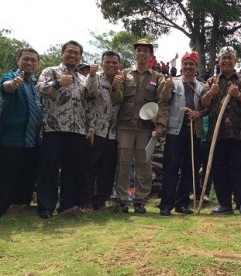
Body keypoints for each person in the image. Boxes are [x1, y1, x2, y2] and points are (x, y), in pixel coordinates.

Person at [36, 40, 93, 218]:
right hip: (54, 128)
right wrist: (58, 83)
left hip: (77, 131)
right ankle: (46, 207)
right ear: (63, 53)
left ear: (80, 57)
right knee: (49, 169)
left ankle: (68, 205)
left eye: (77, 53)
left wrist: (90, 127)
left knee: (73, 170)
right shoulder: (50, 71)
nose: (73, 55)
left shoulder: (83, 79)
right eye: (70, 52)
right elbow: (40, 89)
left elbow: (88, 105)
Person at [201, 46, 241, 215]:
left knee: (240, 167)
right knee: (219, 168)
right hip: (217, 134)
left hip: (238, 133)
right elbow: (203, 103)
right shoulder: (211, 81)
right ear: (218, 61)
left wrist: (238, 94)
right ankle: (224, 203)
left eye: (230, 58)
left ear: (235, 61)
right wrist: (211, 92)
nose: (226, 61)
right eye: (223, 58)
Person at [116, 38, 168, 214]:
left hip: (146, 127)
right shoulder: (124, 74)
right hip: (125, 125)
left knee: (144, 164)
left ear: (151, 55)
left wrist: (160, 124)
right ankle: (122, 199)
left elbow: (162, 102)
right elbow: (117, 100)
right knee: (123, 163)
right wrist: (115, 88)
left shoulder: (158, 77)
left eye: (146, 51)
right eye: (139, 50)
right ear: (135, 53)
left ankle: (140, 199)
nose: (142, 53)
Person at [159, 52, 207, 216]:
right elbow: (164, 100)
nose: (188, 67)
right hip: (175, 131)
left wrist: (198, 114)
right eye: (185, 64)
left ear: (196, 67)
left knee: (190, 169)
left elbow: (207, 107)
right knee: (170, 168)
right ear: (181, 66)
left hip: (193, 132)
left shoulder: (201, 87)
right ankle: (166, 204)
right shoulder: (174, 83)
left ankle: (182, 204)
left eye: (191, 64)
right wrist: (166, 87)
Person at [0, 48, 43, 217]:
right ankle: (3, 209)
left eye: (33, 60)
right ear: (18, 60)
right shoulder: (11, 77)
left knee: (27, 176)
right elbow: (7, 88)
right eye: (26, 59)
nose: (30, 63)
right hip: (12, 139)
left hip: (33, 140)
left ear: (37, 64)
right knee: (7, 176)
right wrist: (14, 84)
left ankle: (21, 207)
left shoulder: (35, 84)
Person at [82, 51, 123, 211]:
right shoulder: (95, 77)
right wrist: (91, 74)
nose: (111, 65)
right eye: (108, 62)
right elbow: (90, 93)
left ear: (119, 64)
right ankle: (87, 200)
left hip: (113, 132)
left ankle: (101, 200)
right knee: (90, 167)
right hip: (95, 130)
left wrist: (117, 86)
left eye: (114, 62)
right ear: (102, 63)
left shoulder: (122, 80)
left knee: (107, 168)